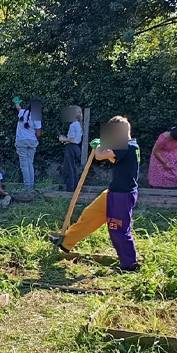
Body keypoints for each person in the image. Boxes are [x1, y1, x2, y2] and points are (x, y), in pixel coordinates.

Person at [52, 116, 141, 272]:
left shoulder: (127, 146)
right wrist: (104, 147)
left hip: (122, 196)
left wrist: (100, 145)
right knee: (90, 215)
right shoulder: (130, 146)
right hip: (113, 192)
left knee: (118, 229)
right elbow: (113, 159)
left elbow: (100, 156)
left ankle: (129, 265)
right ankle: (66, 243)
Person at [14, 97, 42, 192]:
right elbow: (38, 133)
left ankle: (27, 187)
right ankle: (31, 186)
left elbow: (18, 108)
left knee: (24, 165)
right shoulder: (37, 116)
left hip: (21, 141)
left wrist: (17, 102)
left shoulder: (22, 112)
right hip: (32, 141)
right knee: (30, 163)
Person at [58, 106, 84, 191]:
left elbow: (71, 140)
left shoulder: (72, 125)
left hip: (71, 148)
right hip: (76, 148)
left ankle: (70, 189)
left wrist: (62, 139)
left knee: (69, 168)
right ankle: (75, 188)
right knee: (74, 168)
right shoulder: (79, 125)